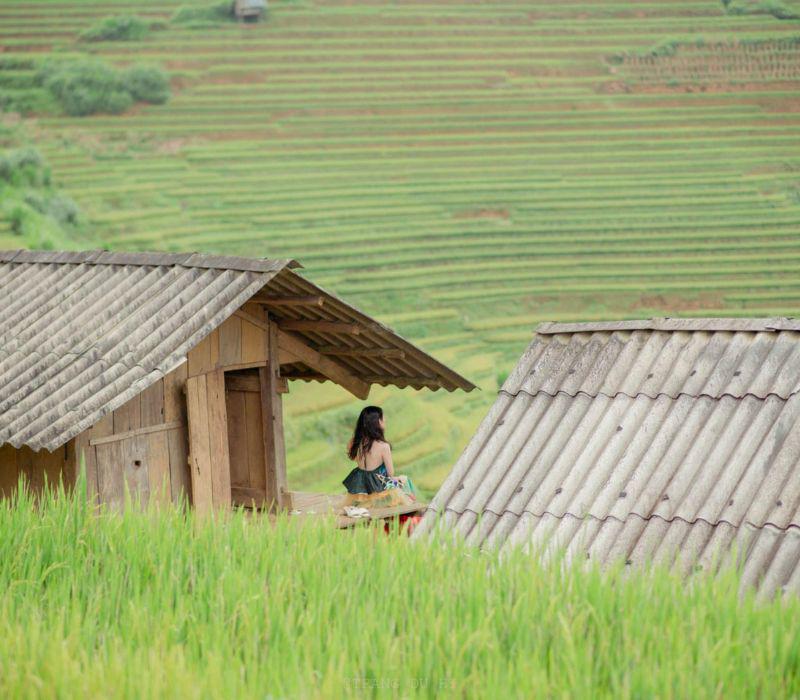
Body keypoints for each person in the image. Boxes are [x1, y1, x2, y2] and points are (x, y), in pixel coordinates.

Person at [342, 406, 415, 508]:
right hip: (377, 484)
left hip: (360, 485)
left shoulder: (355, 441)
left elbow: (355, 459)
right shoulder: (383, 446)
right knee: (405, 480)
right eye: (382, 418)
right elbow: (390, 473)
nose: (385, 420)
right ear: (376, 422)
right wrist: (398, 480)